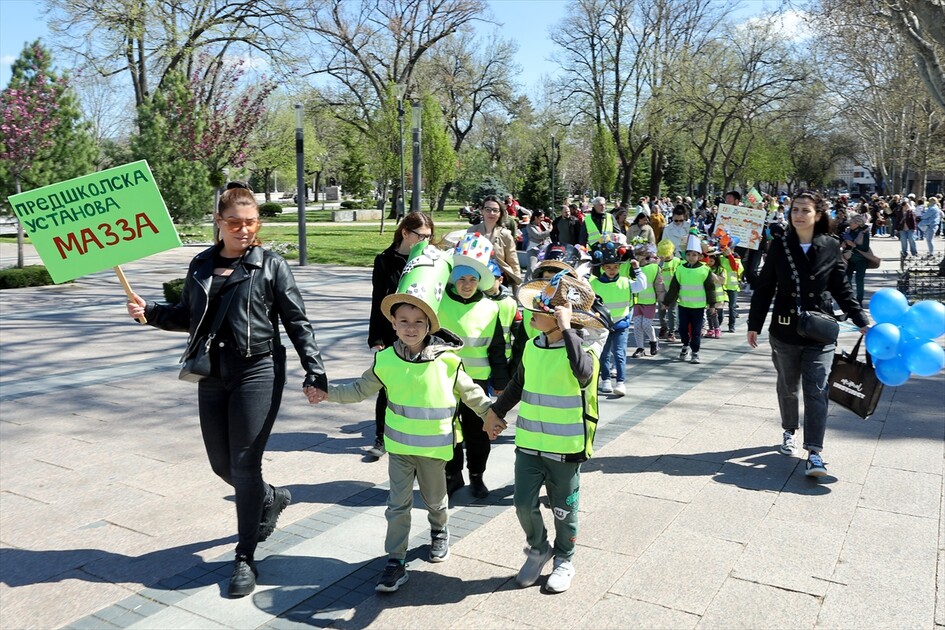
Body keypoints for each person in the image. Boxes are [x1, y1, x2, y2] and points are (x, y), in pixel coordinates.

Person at [124, 183, 328, 598]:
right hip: (212, 372)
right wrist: (150, 314)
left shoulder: (270, 265)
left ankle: (244, 556)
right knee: (222, 466)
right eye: (235, 223)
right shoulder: (200, 264)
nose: (244, 230)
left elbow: (296, 320)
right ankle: (270, 497)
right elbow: (189, 316)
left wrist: (315, 370)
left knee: (243, 465)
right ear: (219, 223)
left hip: (259, 368)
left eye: (251, 222)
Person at [311, 245, 492, 592]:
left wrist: (491, 416)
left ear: (429, 325)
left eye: (418, 322)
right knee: (398, 506)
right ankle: (395, 560)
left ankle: (439, 531)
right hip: (399, 447)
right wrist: (327, 392)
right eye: (404, 321)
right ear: (392, 323)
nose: (411, 328)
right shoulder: (386, 361)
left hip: (436, 449)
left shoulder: (448, 362)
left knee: (436, 501)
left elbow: (472, 395)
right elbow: (358, 390)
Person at [483, 271, 605, 594]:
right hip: (529, 445)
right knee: (523, 503)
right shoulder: (533, 346)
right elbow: (518, 384)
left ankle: (565, 559)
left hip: (565, 448)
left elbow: (582, 373)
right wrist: (496, 412)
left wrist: (568, 330)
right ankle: (539, 549)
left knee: (564, 509)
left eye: (540, 309)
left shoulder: (584, 351)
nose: (532, 314)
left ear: (558, 316)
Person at [747, 190, 869, 478]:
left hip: (821, 330)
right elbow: (764, 288)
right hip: (785, 329)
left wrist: (861, 320)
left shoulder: (831, 245)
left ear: (818, 214)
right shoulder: (780, 246)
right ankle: (789, 430)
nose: (798, 215)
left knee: (816, 389)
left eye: (805, 210)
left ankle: (814, 452)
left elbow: (842, 288)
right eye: (795, 210)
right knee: (788, 385)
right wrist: (754, 324)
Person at [439, 234, 509, 498]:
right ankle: (452, 474)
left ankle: (477, 476)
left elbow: (497, 348)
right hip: (443, 379)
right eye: (461, 279)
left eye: (472, 279)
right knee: (448, 431)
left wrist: (501, 381)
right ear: (453, 279)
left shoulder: (491, 308)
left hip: (477, 382)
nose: (467, 285)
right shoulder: (439, 303)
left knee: (478, 434)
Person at [367, 213, 435, 458]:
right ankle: (380, 436)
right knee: (386, 384)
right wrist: (376, 338)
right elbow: (378, 300)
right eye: (420, 236)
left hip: (423, 330)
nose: (425, 241)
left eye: (429, 237)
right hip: (391, 330)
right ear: (405, 233)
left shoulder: (429, 258)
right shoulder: (385, 260)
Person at [663, 234, 717, 364]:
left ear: (699, 256)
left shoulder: (705, 270)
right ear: (685, 256)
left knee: (697, 331)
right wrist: (666, 302)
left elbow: (710, 288)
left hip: (698, 307)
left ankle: (695, 352)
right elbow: (674, 287)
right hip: (684, 305)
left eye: (694, 255)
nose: (691, 257)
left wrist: (712, 304)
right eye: (689, 254)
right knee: (682, 329)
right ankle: (685, 345)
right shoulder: (680, 269)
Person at [469, 195, 522, 287]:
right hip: (475, 280)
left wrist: (517, 285)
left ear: (500, 213)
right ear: (482, 211)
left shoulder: (506, 235)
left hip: (499, 282)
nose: (491, 213)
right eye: (488, 209)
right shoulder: (471, 232)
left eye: (495, 210)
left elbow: (513, 261)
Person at [630, 243, 666, 356]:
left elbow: (659, 284)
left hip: (649, 301)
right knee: (637, 325)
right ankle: (640, 348)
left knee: (646, 325)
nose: (639, 257)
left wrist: (662, 300)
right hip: (636, 301)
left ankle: (654, 341)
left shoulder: (654, 268)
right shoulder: (632, 268)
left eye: (642, 254)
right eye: (638, 254)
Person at [842, 214, 871, 306]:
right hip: (850, 259)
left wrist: (854, 245)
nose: (849, 224)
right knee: (847, 279)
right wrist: (844, 244)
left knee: (859, 280)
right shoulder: (848, 231)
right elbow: (846, 244)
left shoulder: (864, 232)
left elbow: (865, 248)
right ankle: (851, 299)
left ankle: (859, 300)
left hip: (861, 259)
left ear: (858, 223)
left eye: (851, 222)